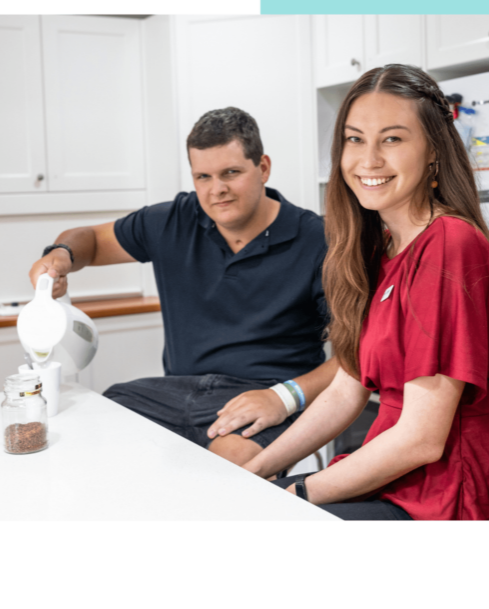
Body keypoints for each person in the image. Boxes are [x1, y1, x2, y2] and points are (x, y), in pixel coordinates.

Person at [241, 65, 489, 520]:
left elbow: (421, 438)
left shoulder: (449, 245)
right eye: (355, 139)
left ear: (433, 151)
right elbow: (347, 390)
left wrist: (296, 493)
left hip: (448, 495)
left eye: (392, 139)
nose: (368, 160)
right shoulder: (381, 247)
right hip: (396, 478)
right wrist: (258, 471)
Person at [28, 107, 337, 467]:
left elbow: (357, 357)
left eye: (231, 173)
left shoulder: (319, 240)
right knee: (93, 437)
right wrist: (61, 254)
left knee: (227, 471)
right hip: (176, 391)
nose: (216, 190)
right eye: (202, 177)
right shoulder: (173, 220)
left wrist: (284, 397)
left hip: (263, 395)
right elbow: (92, 241)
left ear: (263, 167)